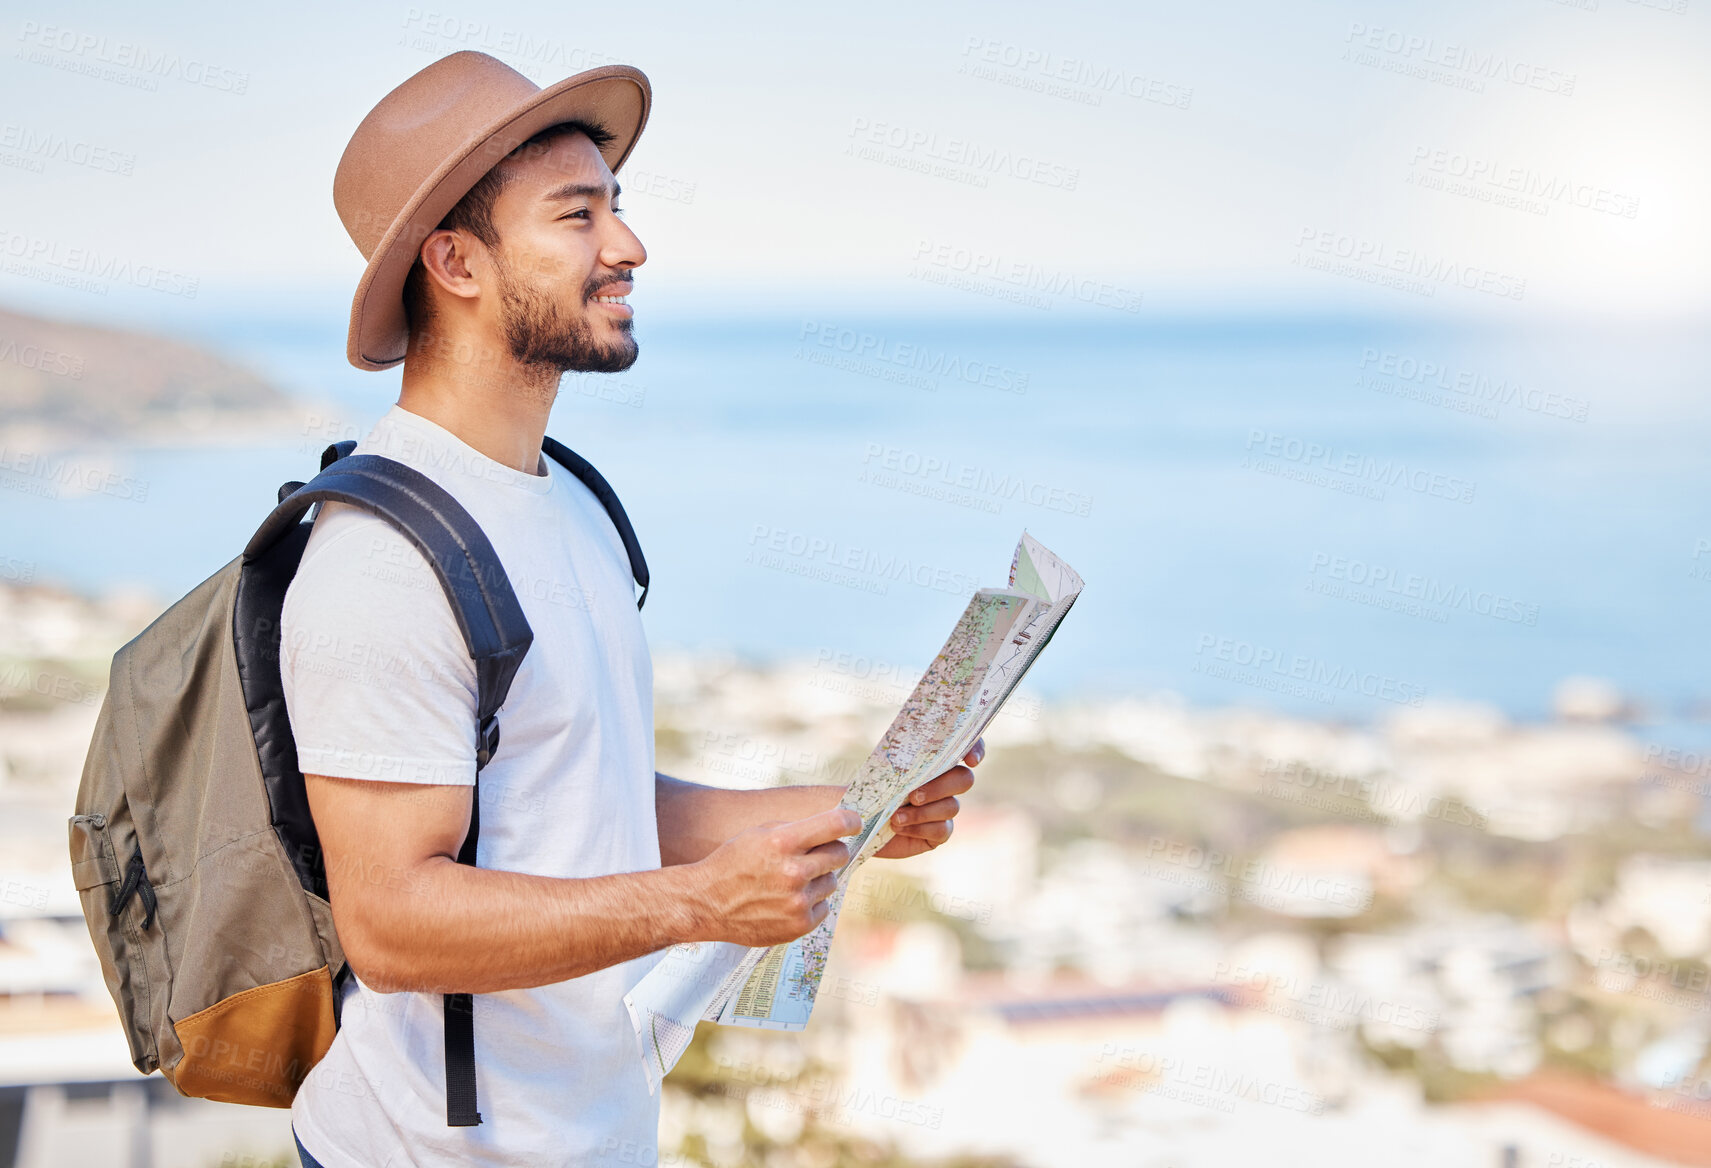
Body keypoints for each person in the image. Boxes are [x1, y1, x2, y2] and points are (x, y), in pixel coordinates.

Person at [279, 51, 984, 1168]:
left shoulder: (569, 503)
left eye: (617, 209)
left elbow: (576, 794)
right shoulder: (380, 557)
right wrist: (699, 905)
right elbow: (393, 923)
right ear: (455, 260)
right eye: (577, 217)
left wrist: (851, 815)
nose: (629, 248)